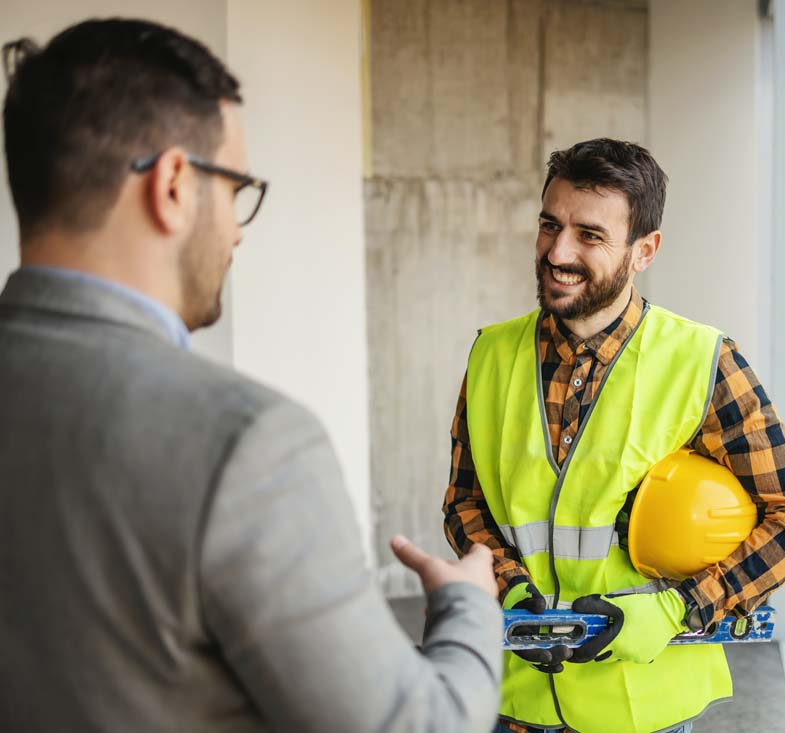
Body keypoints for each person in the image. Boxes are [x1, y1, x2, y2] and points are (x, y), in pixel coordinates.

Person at [0, 18, 500, 732]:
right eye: (236, 188)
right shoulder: (248, 444)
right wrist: (467, 607)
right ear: (174, 183)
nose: (237, 228)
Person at [443, 138, 785, 733]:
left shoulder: (703, 361)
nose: (557, 251)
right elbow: (465, 504)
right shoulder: (491, 353)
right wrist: (509, 588)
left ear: (644, 250)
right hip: (513, 701)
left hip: (644, 710)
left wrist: (680, 607)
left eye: (590, 235)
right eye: (550, 225)